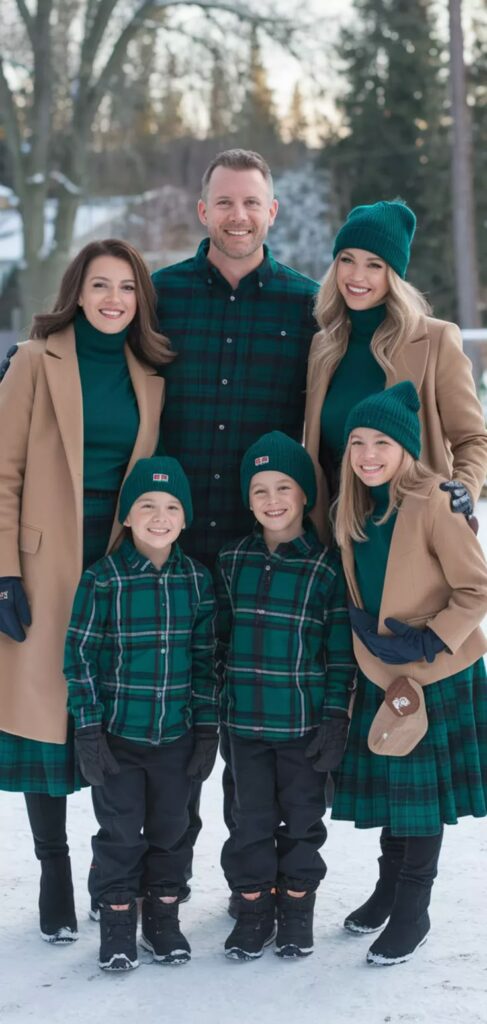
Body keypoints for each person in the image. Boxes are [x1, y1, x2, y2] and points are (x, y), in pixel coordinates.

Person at [152, 148, 319, 898]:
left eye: (251, 203)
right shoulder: (160, 298)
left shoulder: (306, 306)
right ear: (202, 210)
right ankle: (166, 875)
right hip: (176, 549)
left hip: (265, 557)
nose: (238, 216)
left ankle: (253, 882)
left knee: (254, 730)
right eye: (224, 202)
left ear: (271, 212)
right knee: (178, 723)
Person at [0, 239, 173, 943]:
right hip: (44, 568)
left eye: (126, 289)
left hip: (115, 569)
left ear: (140, 301)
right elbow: (2, 471)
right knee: (47, 725)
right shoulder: (36, 361)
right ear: (77, 291)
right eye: (100, 285)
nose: (112, 299)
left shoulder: (151, 374)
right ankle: (52, 870)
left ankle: (115, 878)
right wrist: (4, 570)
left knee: (107, 725)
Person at [332, 381, 487, 966]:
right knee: (397, 795)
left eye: (381, 443)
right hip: (380, 673)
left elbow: (477, 589)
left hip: (435, 671)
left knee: (418, 802)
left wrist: (427, 640)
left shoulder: (434, 502)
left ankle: (414, 909)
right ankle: (389, 889)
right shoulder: (350, 505)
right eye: (357, 442)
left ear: (405, 448)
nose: (368, 454)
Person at [64, 457, 218, 971]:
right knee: (120, 833)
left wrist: (205, 729)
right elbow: (80, 656)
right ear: (126, 517)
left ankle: (162, 920)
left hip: (176, 738)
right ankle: (116, 924)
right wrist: (88, 729)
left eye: (172, 506)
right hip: (118, 738)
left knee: (174, 830)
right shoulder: (103, 580)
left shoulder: (196, 581)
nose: (160, 515)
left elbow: (204, 660)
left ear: (185, 518)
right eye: (147, 505)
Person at [214, 431, 356, 961]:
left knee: (302, 823)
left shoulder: (326, 567)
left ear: (304, 496)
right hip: (244, 725)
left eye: (284, 488)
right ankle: (252, 911)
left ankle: (296, 909)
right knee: (247, 821)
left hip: (303, 727)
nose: (272, 501)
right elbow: (219, 641)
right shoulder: (231, 560)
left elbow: (340, 653)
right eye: (259, 491)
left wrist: (335, 718)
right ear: (247, 501)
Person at [304, 199, 487, 542]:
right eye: (347, 260)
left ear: (394, 274)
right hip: (338, 535)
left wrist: (462, 488)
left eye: (374, 265)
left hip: (414, 533)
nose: (357, 276)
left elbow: (473, 438)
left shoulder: (435, 340)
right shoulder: (323, 347)